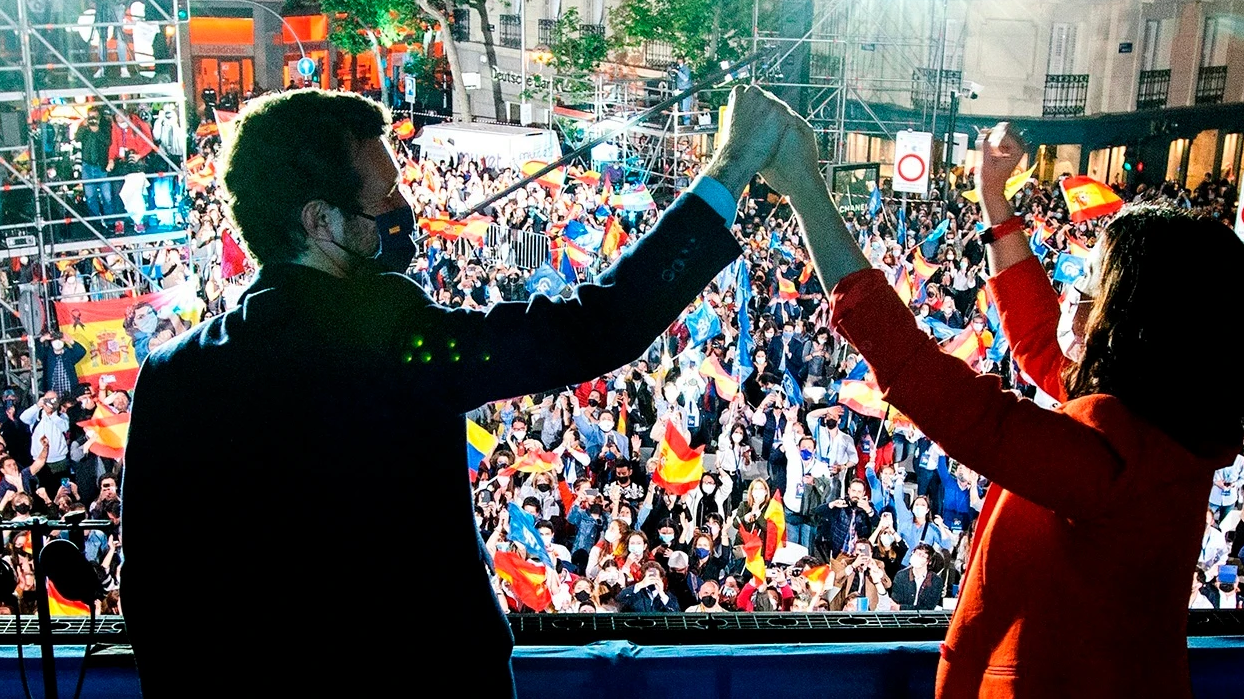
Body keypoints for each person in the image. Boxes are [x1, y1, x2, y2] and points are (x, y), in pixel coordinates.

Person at [121, 85, 789, 697]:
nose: (403, 211)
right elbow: (595, 328)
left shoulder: (172, 377)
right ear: (320, 221)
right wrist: (730, 167)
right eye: (383, 198)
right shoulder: (396, 346)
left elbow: (153, 604)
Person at [769, 114, 1244, 699]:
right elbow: (1035, 339)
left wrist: (808, 193)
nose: (1071, 296)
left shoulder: (1114, 461)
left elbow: (936, 387)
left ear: (1135, 324)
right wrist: (992, 200)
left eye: (1091, 284)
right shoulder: (1162, 424)